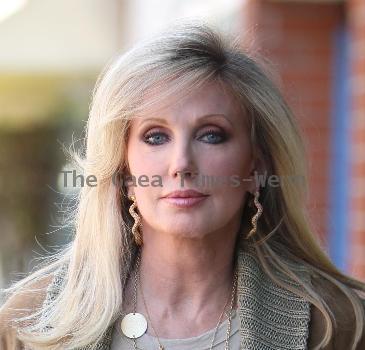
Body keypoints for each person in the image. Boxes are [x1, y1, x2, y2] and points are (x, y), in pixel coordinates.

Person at [1, 20, 365, 350]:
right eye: (156, 137)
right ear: (125, 173)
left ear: (256, 167)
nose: (182, 165)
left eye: (211, 135)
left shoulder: (339, 323)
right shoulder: (29, 322)